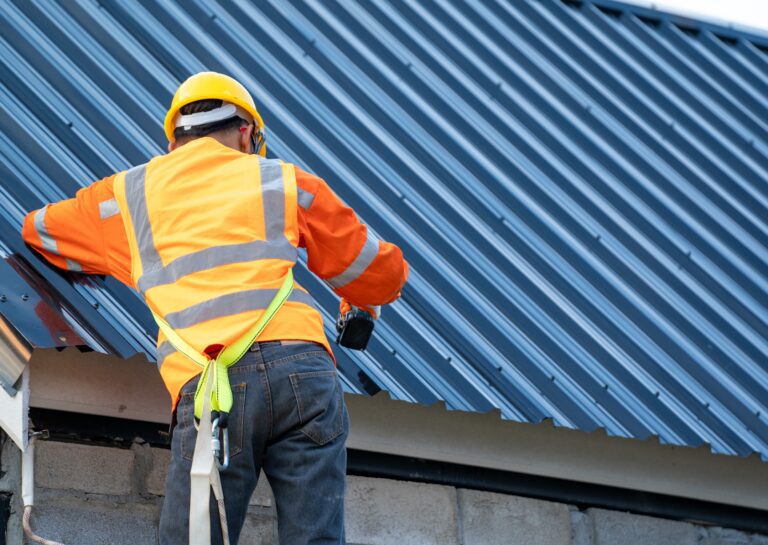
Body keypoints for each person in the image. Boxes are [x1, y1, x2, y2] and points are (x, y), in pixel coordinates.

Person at [21, 71, 408, 545]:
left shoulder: (128, 195)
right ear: (247, 133)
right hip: (303, 371)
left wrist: (128, 259)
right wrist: (361, 295)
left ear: (175, 138)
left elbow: (39, 229)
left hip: (214, 389)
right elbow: (382, 274)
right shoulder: (285, 181)